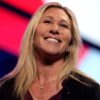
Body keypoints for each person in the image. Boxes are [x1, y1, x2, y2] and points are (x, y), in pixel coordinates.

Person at [0, 2, 100, 100]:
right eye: (47, 21)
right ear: (32, 35)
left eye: (63, 25)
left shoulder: (90, 92)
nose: (55, 29)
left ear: (70, 43)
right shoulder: (4, 89)